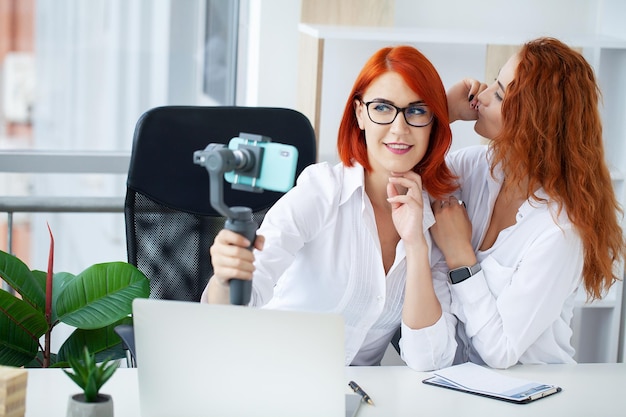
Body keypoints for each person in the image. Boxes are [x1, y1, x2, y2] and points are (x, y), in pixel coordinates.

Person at [201, 45, 459, 370]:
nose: (399, 128)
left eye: (417, 111)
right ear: (360, 114)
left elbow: (429, 359)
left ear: (433, 121)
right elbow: (240, 304)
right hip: (265, 376)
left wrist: (416, 245)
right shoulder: (322, 191)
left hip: (352, 399)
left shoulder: (435, 219)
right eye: (382, 108)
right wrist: (226, 278)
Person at [432, 37, 625, 369]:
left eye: (500, 93)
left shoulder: (560, 230)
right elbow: (401, 180)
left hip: (533, 392)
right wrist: (440, 113)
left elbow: (500, 351)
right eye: (493, 80)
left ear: (535, 122)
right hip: (465, 385)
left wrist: (459, 255)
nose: (480, 95)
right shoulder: (480, 167)